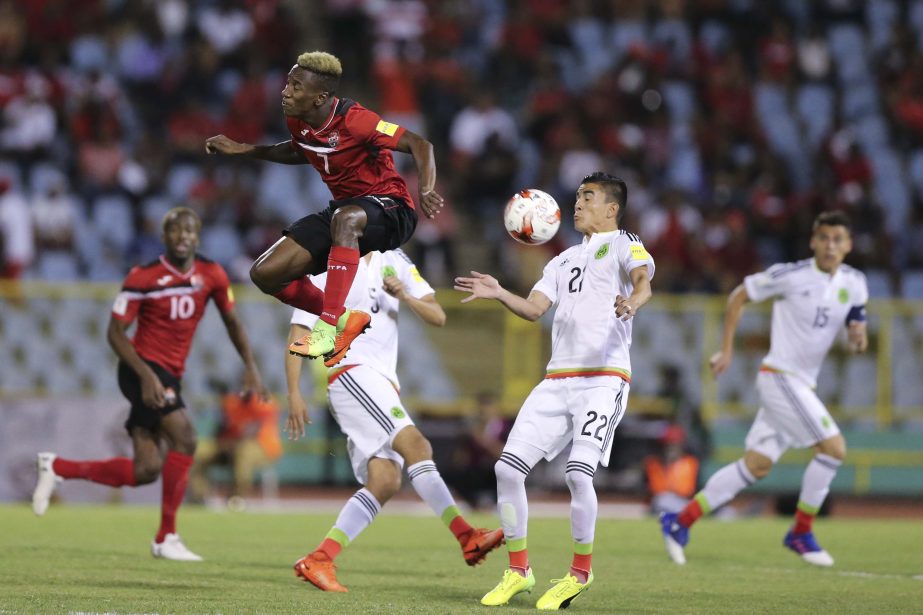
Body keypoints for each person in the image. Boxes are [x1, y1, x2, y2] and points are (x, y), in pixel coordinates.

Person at [455, 172, 655, 610]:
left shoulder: (625, 242)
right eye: (579, 196)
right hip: (556, 380)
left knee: (577, 473)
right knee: (507, 471)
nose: (578, 204)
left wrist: (634, 301)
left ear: (611, 209)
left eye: (588, 197)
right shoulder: (561, 260)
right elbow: (533, 310)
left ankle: (579, 574)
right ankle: (518, 571)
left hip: (603, 378)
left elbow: (643, 280)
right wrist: (499, 291)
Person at [32, 207, 264, 561]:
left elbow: (232, 322)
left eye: (190, 231)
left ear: (198, 236)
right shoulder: (143, 277)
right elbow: (114, 333)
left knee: (146, 470)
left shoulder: (212, 274)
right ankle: (166, 536)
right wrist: (146, 376)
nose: (183, 237)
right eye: (176, 231)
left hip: (171, 373)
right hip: (139, 369)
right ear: (164, 237)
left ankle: (57, 468)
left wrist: (250, 365)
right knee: (185, 437)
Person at [285, 248, 504, 593]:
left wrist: (403, 295)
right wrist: (294, 392)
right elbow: (300, 328)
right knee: (417, 444)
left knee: (385, 480)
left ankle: (319, 559)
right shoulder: (330, 263)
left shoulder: (396, 261)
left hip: (383, 381)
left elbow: (437, 315)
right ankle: (466, 535)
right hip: (350, 371)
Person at [205, 50, 444, 364]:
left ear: (320, 98)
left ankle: (328, 329)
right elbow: (299, 151)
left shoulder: (358, 120)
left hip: (392, 208)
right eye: (288, 83)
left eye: (296, 86)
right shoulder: (297, 120)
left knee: (345, 219)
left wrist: (425, 189)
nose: (285, 91)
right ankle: (346, 320)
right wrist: (244, 149)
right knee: (265, 273)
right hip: (345, 211)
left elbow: (419, 144)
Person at [660, 211, 869, 568]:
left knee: (755, 466)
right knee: (833, 449)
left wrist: (857, 335)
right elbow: (739, 295)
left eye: (838, 239)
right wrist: (726, 349)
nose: (830, 245)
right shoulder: (792, 275)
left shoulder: (855, 282)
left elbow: (856, 321)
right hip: (780, 376)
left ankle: (680, 521)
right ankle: (801, 531)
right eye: (824, 238)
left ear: (849, 245)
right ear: (813, 242)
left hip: (801, 383)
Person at [188, 388, 282, 504]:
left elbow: (254, 430)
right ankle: (199, 496)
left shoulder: (264, 401)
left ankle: (236, 498)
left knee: (244, 452)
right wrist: (222, 443)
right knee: (200, 451)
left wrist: (232, 443)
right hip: (230, 444)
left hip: (262, 446)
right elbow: (222, 427)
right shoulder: (232, 402)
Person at [643, 425, 699, 515]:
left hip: (684, 504)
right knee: (662, 500)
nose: (671, 449)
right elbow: (653, 491)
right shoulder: (653, 463)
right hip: (659, 504)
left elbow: (690, 491)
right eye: (668, 445)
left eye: (674, 444)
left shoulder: (690, 463)